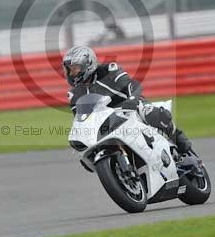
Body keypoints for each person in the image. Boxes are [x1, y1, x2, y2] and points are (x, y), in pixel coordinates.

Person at [63, 45, 192, 155]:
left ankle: (181, 140)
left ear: (88, 64)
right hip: (108, 121)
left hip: (131, 106)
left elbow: (133, 85)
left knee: (150, 113)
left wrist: (131, 101)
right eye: (69, 70)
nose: (71, 74)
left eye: (75, 69)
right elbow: (82, 120)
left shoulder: (108, 70)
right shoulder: (75, 95)